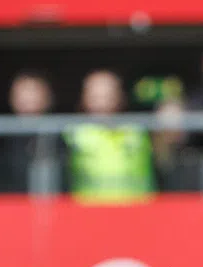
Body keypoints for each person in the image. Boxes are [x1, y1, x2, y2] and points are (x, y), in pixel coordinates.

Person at [64, 70, 155, 203]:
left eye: (108, 95)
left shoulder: (140, 129)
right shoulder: (70, 132)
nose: (103, 101)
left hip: (136, 213)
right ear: (84, 97)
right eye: (96, 96)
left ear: (120, 96)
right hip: (87, 214)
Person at [0, 71, 63, 195]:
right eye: (22, 92)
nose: (28, 97)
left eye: (33, 91)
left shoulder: (58, 135)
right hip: (11, 206)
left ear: (47, 97)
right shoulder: (0, 137)